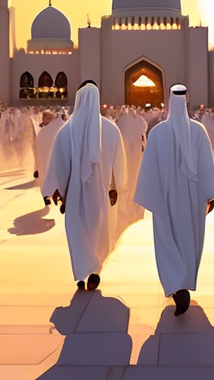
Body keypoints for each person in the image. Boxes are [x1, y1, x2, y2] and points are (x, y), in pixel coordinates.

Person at [135, 84, 214, 316]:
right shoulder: (198, 131)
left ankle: (176, 285)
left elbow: (149, 168)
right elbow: (206, 167)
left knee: (166, 239)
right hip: (192, 199)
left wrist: (151, 195)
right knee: (188, 240)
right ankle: (184, 281)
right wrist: (209, 195)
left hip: (165, 197)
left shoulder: (158, 133)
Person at [43, 81, 126, 292]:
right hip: (101, 196)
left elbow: (59, 166)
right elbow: (119, 164)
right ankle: (95, 271)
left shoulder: (66, 131)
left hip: (75, 196)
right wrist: (115, 187)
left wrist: (60, 191)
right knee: (99, 231)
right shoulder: (111, 129)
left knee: (78, 232)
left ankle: (82, 272)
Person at [35, 110, 65, 206]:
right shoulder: (60, 126)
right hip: (55, 159)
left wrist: (36, 167)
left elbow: (37, 148)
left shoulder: (44, 132)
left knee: (45, 175)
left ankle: (47, 194)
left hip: (44, 160)